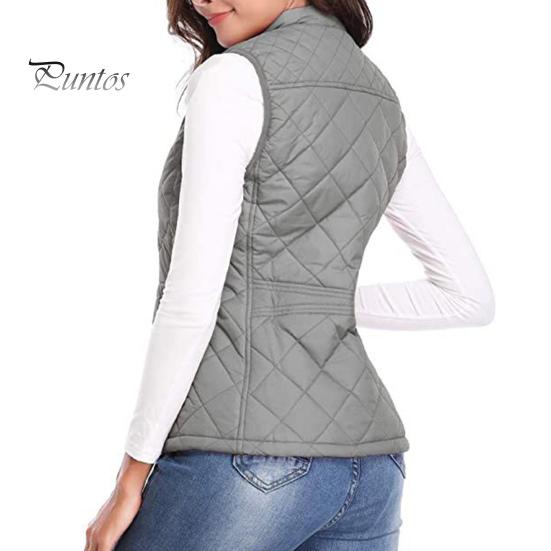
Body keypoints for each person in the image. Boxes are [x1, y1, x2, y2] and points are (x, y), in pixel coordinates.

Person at [85, 2, 495, 550]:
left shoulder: (233, 77)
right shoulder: (381, 99)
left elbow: (191, 298)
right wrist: (315, 301)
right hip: (373, 469)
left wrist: (130, 477)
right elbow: (467, 295)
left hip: (243, 462)